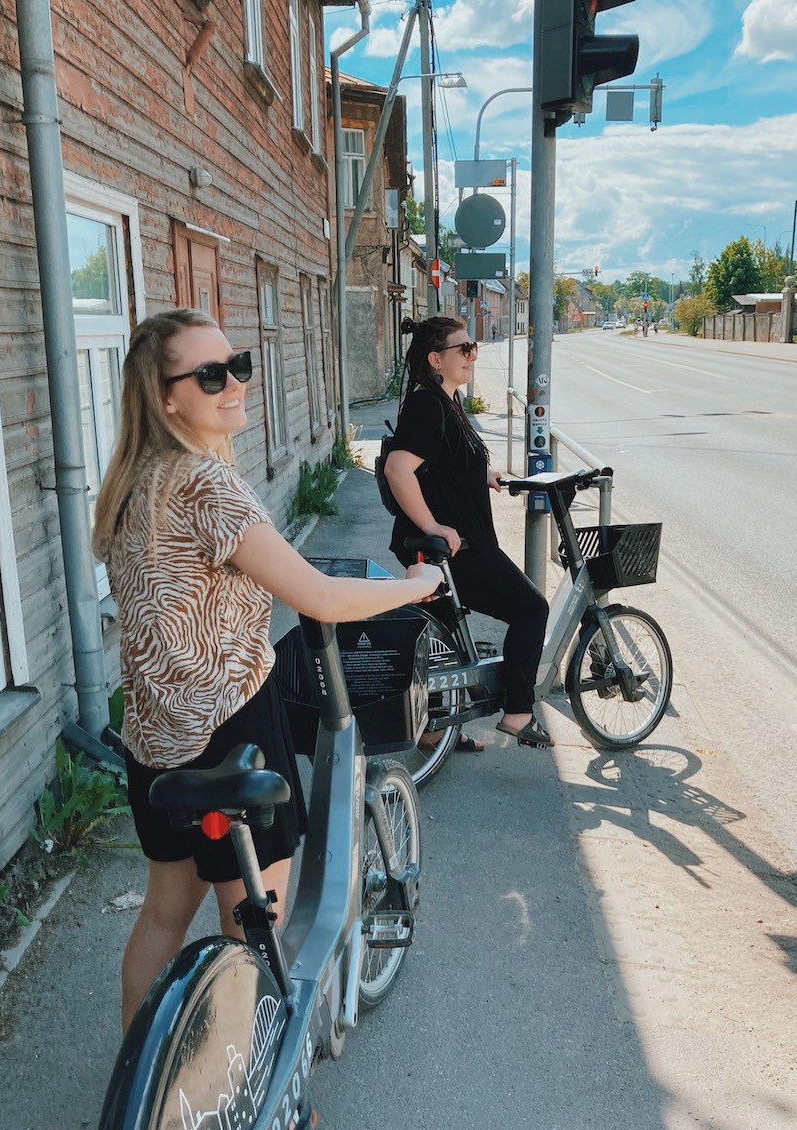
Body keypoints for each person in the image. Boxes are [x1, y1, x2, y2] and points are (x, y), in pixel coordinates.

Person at [92, 309, 440, 1030]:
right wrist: (414, 588)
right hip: (230, 729)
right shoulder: (206, 486)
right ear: (166, 398)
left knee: (162, 915)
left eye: (237, 364)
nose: (234, 384)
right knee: (251, 928)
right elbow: (317, 596)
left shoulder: (136, 482)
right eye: (210, 375)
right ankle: (247, 1105)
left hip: (155, 736)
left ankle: (139, 1089)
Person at [383, 314, 551, 751]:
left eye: (473, 347)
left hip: (450, 546)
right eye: (465, 349)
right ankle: (518, 712)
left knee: (437, 640)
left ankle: (433, 730)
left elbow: (443, 460)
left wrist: (484, 474)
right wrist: (433, 526)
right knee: (531, 609)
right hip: (456, 548)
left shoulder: (445, 400)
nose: (473, 355)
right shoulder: (428, 404)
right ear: (436, 358)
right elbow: (399, 468)